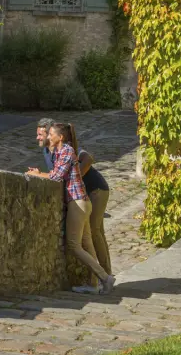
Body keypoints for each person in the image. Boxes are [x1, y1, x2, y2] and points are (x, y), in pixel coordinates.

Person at [27, 122, 115, 295]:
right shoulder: (58, 152)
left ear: (60, 137)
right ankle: (94, 283)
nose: (47, 136)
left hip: (78, 201)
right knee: (87, 243)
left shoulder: (67, 151)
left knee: (74, 245)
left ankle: (105, 277)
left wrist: (37, 175)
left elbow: (56, 177)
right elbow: (56, 174)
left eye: (50, 134)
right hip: (82, 201)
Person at [77, 142, 112, 276]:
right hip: (94, 190)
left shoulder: (70, 149)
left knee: (94, 231)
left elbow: (89, 158)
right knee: (98, 232)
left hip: (97, 190)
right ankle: (107, 273)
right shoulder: (49, 152)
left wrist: (76, 177)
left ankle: (106, 274)